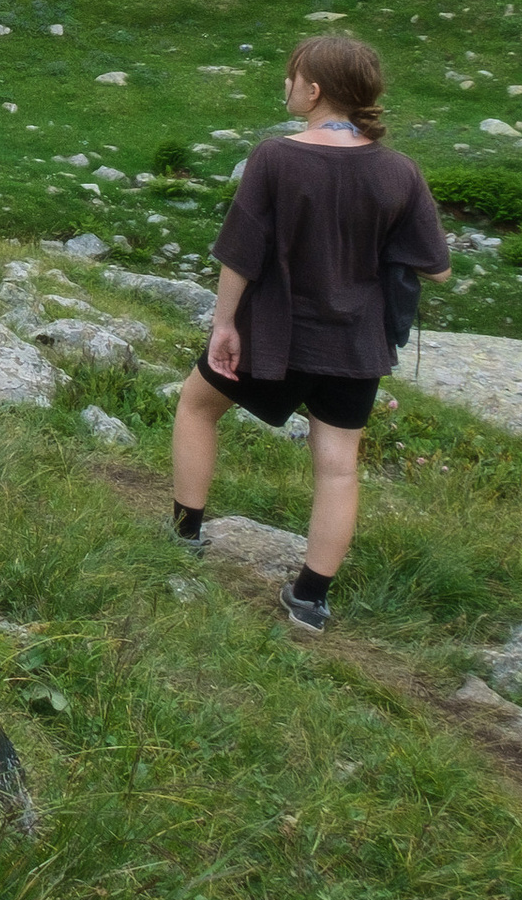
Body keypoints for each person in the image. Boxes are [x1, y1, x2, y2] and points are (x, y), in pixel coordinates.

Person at [169, 32, 451, 632]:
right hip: (358, 343)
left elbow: (242, 255)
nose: (286, 85)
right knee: (338, 464)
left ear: (315, 89)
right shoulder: (399, 169)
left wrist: (225, 325)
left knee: (196, 406)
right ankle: (310, 599)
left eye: (292, 76)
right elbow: (438, 265)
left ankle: (185, 533)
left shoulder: (276, 157)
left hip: (277, 335)